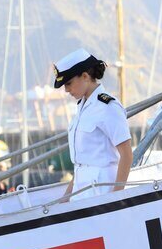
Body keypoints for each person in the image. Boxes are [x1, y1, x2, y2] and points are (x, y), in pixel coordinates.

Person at [54, 49, 133, 202]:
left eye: (69, 83)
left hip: (102, 192)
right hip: (81, 193)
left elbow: (127, 155)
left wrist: (116, 199)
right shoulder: (82, 108)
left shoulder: (108, 106)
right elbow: (82, 164)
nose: (66, 90)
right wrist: (65, 199)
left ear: (85, 76)